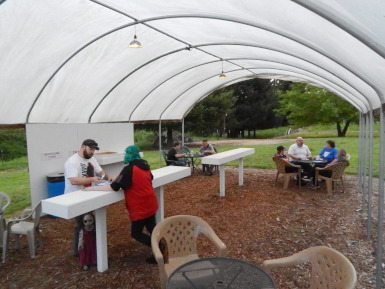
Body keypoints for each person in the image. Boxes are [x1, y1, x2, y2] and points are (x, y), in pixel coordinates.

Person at [84, 145, 159, 264]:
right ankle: (159, 250)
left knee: (136, 233)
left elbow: (114, 187)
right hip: (151, 203)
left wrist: (92, 189)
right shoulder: (145, 165)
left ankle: (159, 248)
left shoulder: (128, 169)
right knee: (153, 229)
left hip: (140, 207)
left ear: (129, 155)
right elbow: (150, 178)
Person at [64, 139, 112, 257]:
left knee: (91, 221)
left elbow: (100, 172)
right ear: (83, 147)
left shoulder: (92, 159)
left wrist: (109, 178)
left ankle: (94, 245)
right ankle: (77, 250)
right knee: (81, 224)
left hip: (88, 194)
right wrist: (91, 179)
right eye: (91, 149)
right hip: (75, 197)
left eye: (94, 149)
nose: (92, 152)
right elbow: (73, 180)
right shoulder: (72, 161)